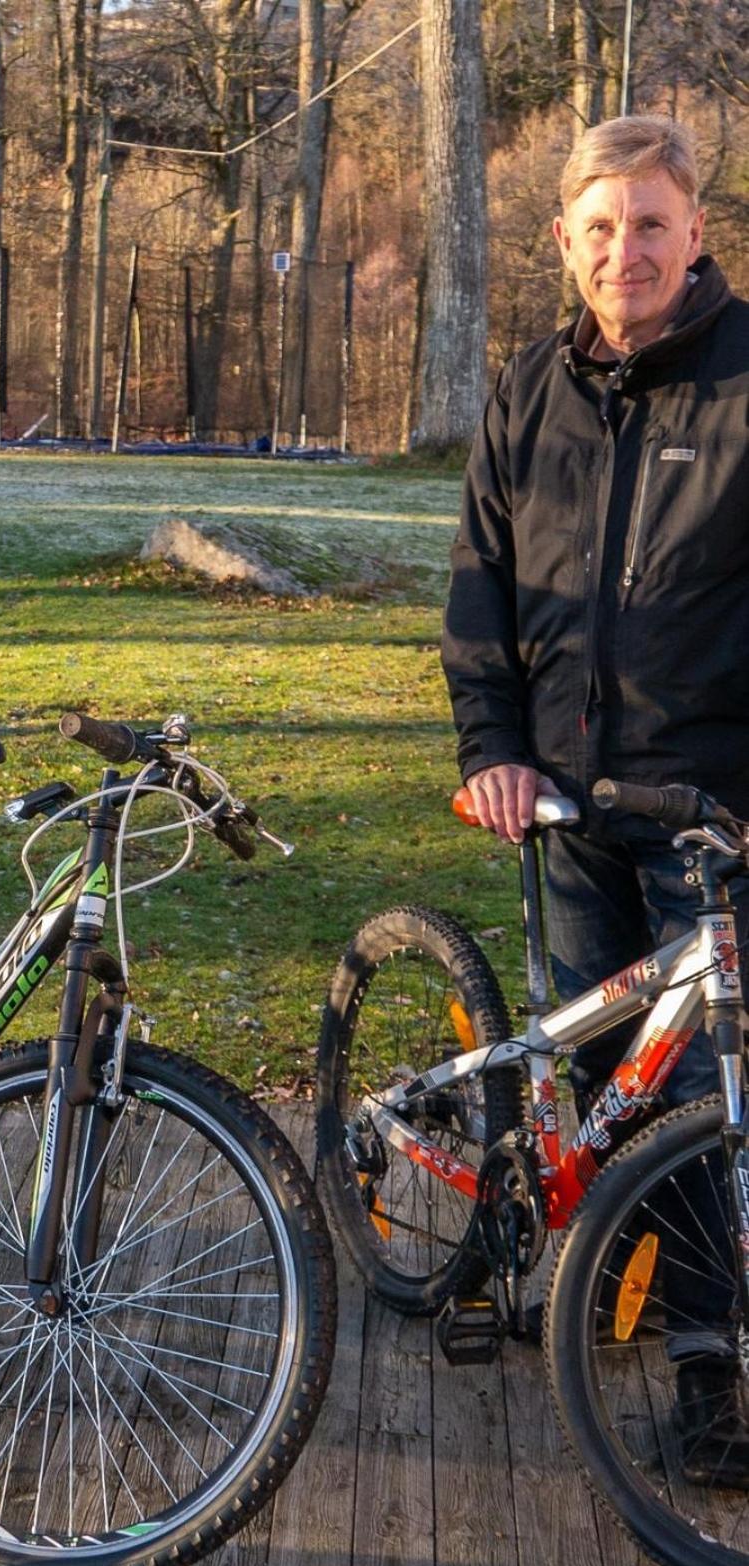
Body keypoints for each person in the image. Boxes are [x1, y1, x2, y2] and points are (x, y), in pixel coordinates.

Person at [441, 114, 749, 1483]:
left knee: (693, 1100)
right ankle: (612, 1275)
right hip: (563, 804)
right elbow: (481, 594)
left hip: (710, 812)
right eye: (601, 228)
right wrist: (490, 749)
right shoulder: (529, 391)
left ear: (696, 235)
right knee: (594, 1076)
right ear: (565, 242)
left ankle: (707, 1372)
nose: (627, 250)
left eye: (650, 224)